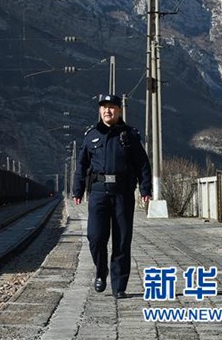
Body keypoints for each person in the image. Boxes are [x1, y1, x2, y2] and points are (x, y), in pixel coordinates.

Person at [72, 94, 151, 299]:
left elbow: (142, 163)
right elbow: (81, 165)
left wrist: (145, 189)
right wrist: (77, 190)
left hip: (123, 192)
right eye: (104, 107)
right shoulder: (91, 135)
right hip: (98, 192)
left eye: (112, 107)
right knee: (95, 237)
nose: (108, 111)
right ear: (100, 111)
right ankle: (101, 271)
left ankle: (119, 286)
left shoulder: (129, 135)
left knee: (122, 239)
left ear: (119, 110)